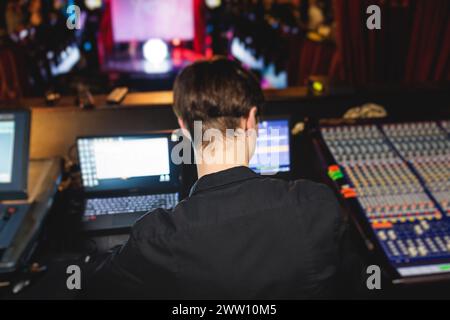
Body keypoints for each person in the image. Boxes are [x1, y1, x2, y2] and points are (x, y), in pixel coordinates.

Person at [84, 57, 362, 299]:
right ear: (251, 120)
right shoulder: (317, 205)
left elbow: (93, 287)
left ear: (182, 125)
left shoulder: (156, 238)